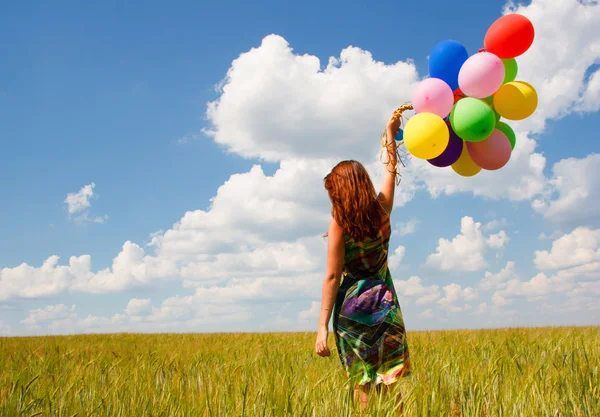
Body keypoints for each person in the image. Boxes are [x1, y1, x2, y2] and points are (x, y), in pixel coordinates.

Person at [315, 110, 411, 415]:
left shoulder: (338, 223)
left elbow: (332, 277)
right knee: (389, 380)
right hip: (386, 306)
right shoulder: (382, 209)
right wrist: (390, 134)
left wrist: (321, 329)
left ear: (341, 192)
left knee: (362, 382)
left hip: (352, 311)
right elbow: (391, 169)